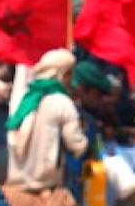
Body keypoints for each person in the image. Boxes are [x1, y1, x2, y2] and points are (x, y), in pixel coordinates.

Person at [5, 49, 88, 192]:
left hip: (15, 189)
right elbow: (76, 144)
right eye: (70, 74)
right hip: (45, 189)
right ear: (64, 74)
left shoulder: (24, 98)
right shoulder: (62, 102)